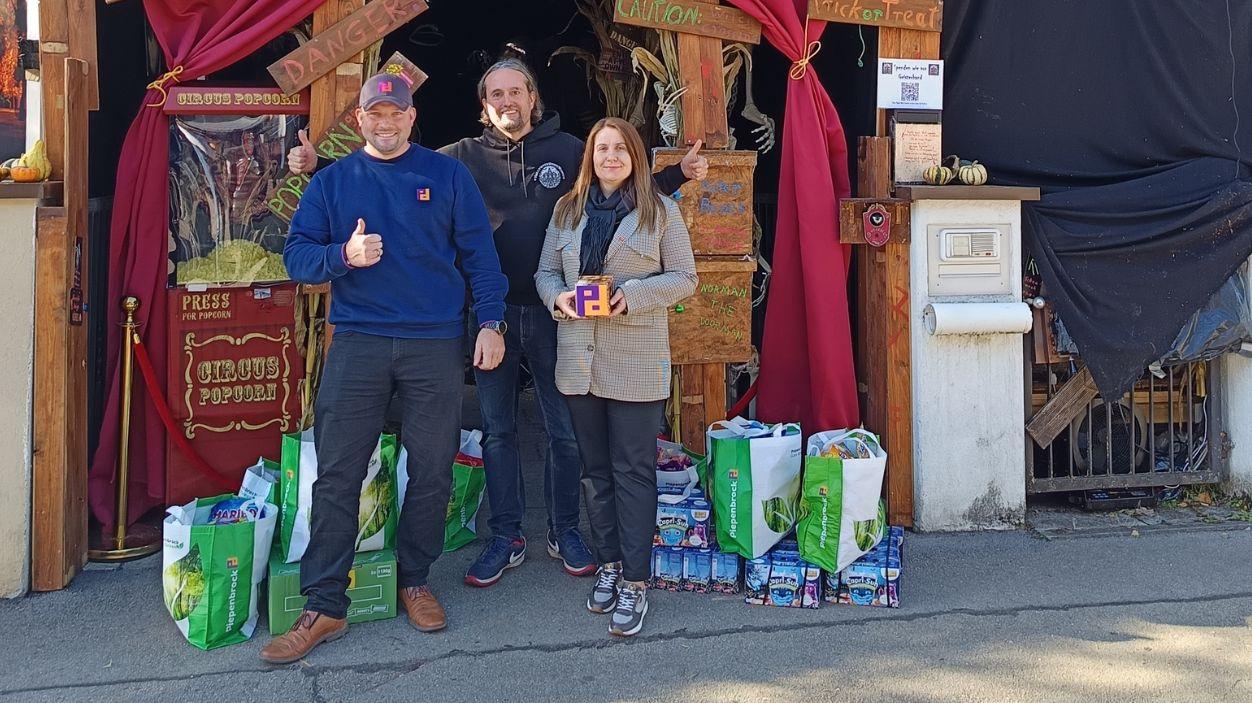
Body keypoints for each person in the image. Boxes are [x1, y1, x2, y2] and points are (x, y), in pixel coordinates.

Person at [286, 59, 708, 588]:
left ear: (533, 97)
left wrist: (677, 177)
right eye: (495, 95)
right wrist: (318, 164)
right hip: (491, 315)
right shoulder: (458, 160)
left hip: (560, 313)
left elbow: (620, 180)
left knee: (563, 432)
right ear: (483, 106)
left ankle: (564, 530)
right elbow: (388, 166)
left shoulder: (570, 151)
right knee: (498, 429)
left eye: (516, 92)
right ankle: (505, 534)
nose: (507, 102)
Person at [260, 74, 508, 664]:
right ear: (362, 118)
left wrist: (491, 324)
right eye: (376, 113)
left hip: (434, 345)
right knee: (339, 473)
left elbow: (480, 255)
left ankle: (414, 580)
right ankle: (324, 605)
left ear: (412, 116)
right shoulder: (333, 181)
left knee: (431, 470)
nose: (386, 122)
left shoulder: (447, 176)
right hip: (359, 344)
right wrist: (341, 256)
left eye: (396, 113)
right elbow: (295, 255)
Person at [534, 117, 697, 637]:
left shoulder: (660, 210)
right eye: (602, 148)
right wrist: (555, 297)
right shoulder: (567, 210)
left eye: (620, 149)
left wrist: (635, 296)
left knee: (632, 471)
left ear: (637, 156)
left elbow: (685, 278)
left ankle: (635, 579)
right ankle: (607, 563)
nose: (610, 157)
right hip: (579, 356)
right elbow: (544, 272)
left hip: (635, 356)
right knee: (594, 470)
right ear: (590, 157)